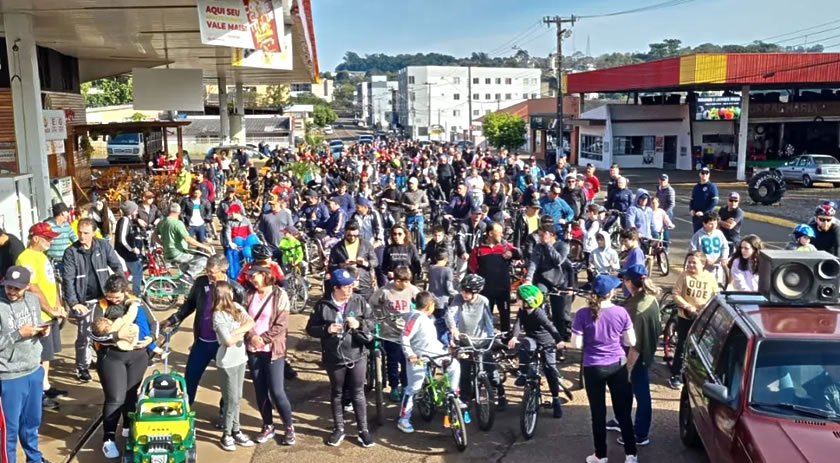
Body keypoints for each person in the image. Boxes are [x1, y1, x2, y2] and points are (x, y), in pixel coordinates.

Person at [161, 254, 245, 411]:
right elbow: (190, 304)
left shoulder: (236, 289)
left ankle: (224, 412)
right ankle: (184, 409)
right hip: (202, 341)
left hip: (224, 345)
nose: (208, 274)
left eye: (212, 272)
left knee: (227, 382)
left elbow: (243, 318)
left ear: (224, 270)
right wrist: (172, 319)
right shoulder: (200, 283)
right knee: (190, 378)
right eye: (207, 270)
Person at [571, 274, 638, 463]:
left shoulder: (582, 314)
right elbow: (631, 341)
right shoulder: (621, 312)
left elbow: (576, 344)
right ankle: (631, 455)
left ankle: (600, 455)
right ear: (610, 293)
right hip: (617, 365)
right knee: (623, 412)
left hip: (593, 367)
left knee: (597, 413)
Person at [306, 269, 375, 448]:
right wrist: (326, 330)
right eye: (346, 286)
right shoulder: (322, 305)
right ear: (335, 287)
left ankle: (363, 431)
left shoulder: (359, 301)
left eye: (352, 285)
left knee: (358, 393)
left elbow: (372, 322)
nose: (350, 289)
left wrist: (359, 324)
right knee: (337, 393)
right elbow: (311, 328)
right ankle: (339, 428)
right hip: (334, 357)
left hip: (357, 354)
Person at [90, 275, 152, 458]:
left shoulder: (136, 303)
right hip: (112, 357)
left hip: (137, 356)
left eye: (117, 297)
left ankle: (128, 426)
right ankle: (108, 438)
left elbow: (153, 324)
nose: (113, 300)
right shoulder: (100, 306)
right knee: (115, 398)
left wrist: (151, 339)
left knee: (131, 394)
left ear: (125, 291)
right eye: (110, 296)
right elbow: (94, 334)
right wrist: (116, 338)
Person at [0, 266, 54, 463]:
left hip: (33, 369)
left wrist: (42, 331)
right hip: (9, 376)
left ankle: (34, 458)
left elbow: (36, 322)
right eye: (9, 287)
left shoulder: (32, 299)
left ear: (26, 287)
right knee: (9, 429)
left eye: (17, 288)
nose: (12, 292)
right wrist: (17, 334)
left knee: (31, 423)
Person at [243, 267, 296, 446]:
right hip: (254, 349)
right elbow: (243, 318)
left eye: (254, 275)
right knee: (260, 390)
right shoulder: (249, 294)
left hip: (273, 350)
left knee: (277, 391)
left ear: (265, 275)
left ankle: (289, 427)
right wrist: (252, 337)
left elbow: (281, 324)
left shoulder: (280, 295)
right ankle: (267, 425)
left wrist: (263, 339)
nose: (251, 279)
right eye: (249, 276)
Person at [18, 222, 68, 406]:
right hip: (39, 315)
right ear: (35, 238)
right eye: (47, 238)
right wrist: (49, 309)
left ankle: (45, 385)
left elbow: (50, 283)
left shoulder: (41, 256)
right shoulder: (26, 258)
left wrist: (58, 305)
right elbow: (33, 287)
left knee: (48, 354)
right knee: (40, 355)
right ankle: (38, 393)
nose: (50, 241)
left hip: (50, 314)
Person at [397, 291, 462, 434]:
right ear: (429, 305)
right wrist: (410, 354)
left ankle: (452, 395)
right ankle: (403, 419)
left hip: (435, 353)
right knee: (414, 388)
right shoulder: (415, 317)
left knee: (454, 365)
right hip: (419, 357)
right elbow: (405, 336)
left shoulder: (428, 317)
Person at [613, 265, 661, 447]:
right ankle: (621, 421)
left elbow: (636, 345)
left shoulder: (638, 310)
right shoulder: (648, 297)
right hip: (645, 354)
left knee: (641, 394)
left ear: (629, 282)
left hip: (637, 358)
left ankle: (640, 434)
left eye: (624, 279)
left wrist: (628, 367)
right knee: (628, 391)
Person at [446, 274, 506, 410]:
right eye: (462, 290)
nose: (464, 294)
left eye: (467, 292)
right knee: (464, 372)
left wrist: (491, 338)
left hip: (482, 341)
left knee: (491, 372)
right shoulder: (458, 299)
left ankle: (501, 395)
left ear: (476, 292)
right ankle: (466, 398)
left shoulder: (483, 301)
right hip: (465, 341)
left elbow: (488, 320)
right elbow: (450, 314)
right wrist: (453, 329)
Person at [509, 284, 565, 418]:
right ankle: (523, 373)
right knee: (524, 346)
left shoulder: (538, 313)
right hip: (532, 338)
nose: (516, 300)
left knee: (550, 369)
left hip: (547, 341)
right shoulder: (522, 311)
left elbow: (549, 326)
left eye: (518, 298)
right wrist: (514, 337)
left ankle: (556, 399)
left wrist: (559, 340)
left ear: (527, 302)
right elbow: (518, 324)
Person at [368, 266, 420, 402]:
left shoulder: (413, 290)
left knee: (406, 361)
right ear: (397, 281)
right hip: (390, 332)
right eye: (405, 282)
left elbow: (422, 302)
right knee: (392, 361)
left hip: (407, 333)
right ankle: (394, 387)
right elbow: (372, 304)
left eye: (409, 281)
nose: (408, 284)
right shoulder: (385, 291)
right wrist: (377, 317)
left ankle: (405, 385)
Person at [669, 251, 719, 389]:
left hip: (703, 317)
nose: (690, 265)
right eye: (689, 262)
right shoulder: (684, 276)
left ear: (703, 264)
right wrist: (687, 306)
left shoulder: (709, 278)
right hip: (686, 316)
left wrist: (707, 308)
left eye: (694, 262)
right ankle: (676, 375)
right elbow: (676, 294)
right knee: (683, 345)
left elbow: (715, 295)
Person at [467, 221, 520, 333]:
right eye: (499, 232)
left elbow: (519, 253)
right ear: (490, 233)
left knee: (505, 314)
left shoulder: (505, 246)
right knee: (486, 315)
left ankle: (506, 339)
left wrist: (512, 253)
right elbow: (472, 269)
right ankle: (487, 340)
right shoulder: (478, 250)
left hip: (503, 288)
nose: (502, 235)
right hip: (486, 290)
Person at [524, 224, 572, 342]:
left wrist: (548, 245)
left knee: (559, 313)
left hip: (559, 281)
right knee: (536, 306)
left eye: (542, 235)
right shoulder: (538, 247)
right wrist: (528, 279)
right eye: (539, 235)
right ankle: (538, 336)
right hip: (542, 280)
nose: (540, 238)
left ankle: (559, 340)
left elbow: (558, 261)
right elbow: (533, 263)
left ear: (551, 235)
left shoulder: (563, 245)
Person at [154, 202, 214, 281]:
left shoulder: (162, 222)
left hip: (167, 253)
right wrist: (205, 247)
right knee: (203, 259)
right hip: (178, 253)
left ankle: (184, 282)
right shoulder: (177, 223)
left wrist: (163, 244)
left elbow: (154, 236)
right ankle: (188, 275)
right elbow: (188, 239)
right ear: (179, 212)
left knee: (186, 267)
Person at [328, 221, 378, 300]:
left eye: (355, 235)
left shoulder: (366, 245)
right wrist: (342, 265)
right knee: (349, 311)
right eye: (349, 235)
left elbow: (375, 261)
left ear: (359, 232)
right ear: (344, 232)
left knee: (366, 309)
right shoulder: (337, 248)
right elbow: (330, 266)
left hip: (364, 285)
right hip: (346, 286)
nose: (352, 238)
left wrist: (365, 263)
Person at [222, 203, 261, 279]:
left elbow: (251, 233)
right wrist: (230, 243)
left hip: (245, 247)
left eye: (232, 213)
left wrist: (258, 241)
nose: (230, 215)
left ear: (237, 212)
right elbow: (228, 233)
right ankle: (234, 277)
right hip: (235, 246)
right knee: (233, 263)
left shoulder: (246, 221)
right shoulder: (229, 222)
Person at [115, 200, 143, 296]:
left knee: (134, 270)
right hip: (125, 252)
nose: (136, 212)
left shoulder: (128, 220)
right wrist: (132, 249)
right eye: (135, 210)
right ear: (131, 211)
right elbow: (122, 239)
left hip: (126, 251)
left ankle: (127, 288)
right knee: (137, 270)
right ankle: (136, 292)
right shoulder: (125, 220)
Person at [45, 202, 77, 276]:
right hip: (52, 261)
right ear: (62, 213)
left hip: (66, 260)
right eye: (67, 211)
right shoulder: (48, 226)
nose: (68, 213)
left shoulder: (67, 225)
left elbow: (75, 239)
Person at [689, 167, 719, 233]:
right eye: (702, 173)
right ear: (700, 174)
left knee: (706, 235)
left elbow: (715, 201)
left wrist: (705, 212)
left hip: (706, 217)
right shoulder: (696, 187)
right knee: (697, 234)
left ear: (709, 175)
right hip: (696, 216)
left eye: (706, 173)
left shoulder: (712, 186)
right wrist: (691, 209)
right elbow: (692, 200)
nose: (704, 175)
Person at [404, 177, 429, 250]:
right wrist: (408, 206)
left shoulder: (421, 192)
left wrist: (418, 205)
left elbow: (427, 203)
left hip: (419, 215)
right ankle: (407, 248)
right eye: (409, 184)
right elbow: (401, 203)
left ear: (416, 184)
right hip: (409, 215)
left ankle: (423, 249)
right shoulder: (406, 193)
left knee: (421, 231)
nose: (410, 185)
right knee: (407, 231)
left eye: (412, 184)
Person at [655, 174, 676, 246]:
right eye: (661, 180)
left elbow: (672, 204)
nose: (662, 181)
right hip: (659, 211)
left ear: (667, 180)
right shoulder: (659, 188)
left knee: (665, 229)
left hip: (667, 212)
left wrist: (664, 212)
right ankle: (658, 245)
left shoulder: (670, 190)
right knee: (658, 228)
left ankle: (666, 247)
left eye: (664, 180)